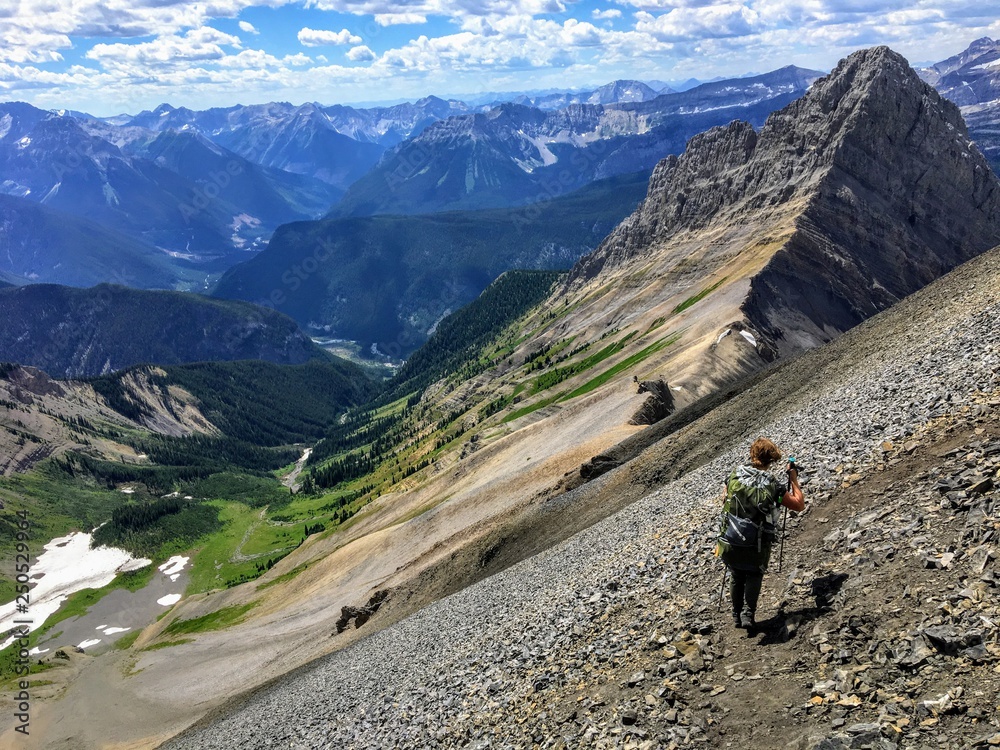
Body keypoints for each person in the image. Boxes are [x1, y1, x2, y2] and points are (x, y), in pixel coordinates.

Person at [716, 437, 805, 630]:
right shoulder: (773, 485)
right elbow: (798, 505)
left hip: (731, 539)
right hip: (757, 543)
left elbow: (724, 498)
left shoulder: (734, 475)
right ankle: (748, 613)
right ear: (771, 460)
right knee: (754, 574)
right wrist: (794, 480)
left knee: (736, 574)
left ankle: (736, 615)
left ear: (752, 454)